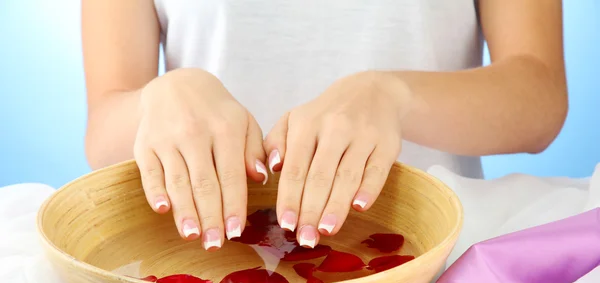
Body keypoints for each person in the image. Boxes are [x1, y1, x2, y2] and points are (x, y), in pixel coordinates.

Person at [82, 0, 567, 251]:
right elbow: (103, 130)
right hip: (207, 278)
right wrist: (158, 100)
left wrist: (394, 95)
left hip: (428, 268)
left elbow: (540, 97)